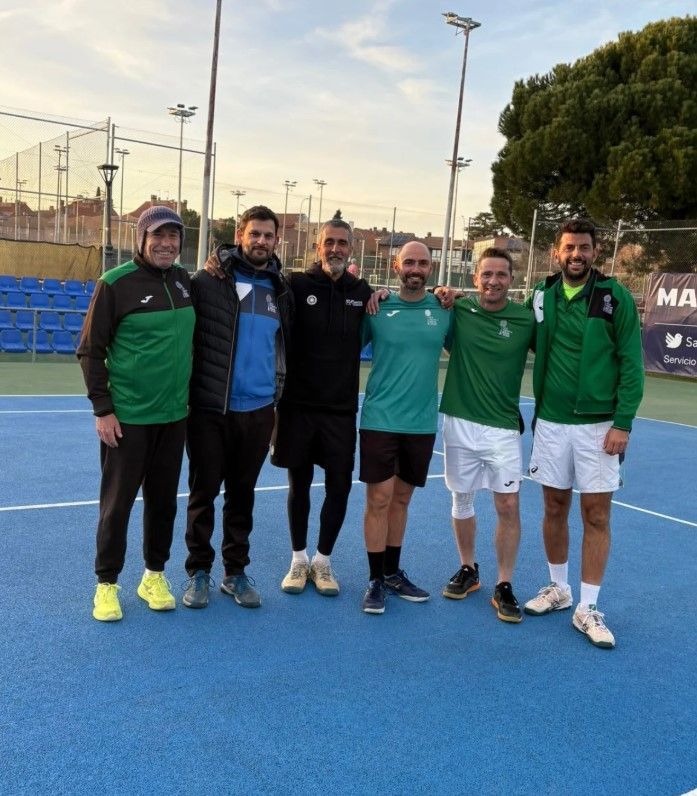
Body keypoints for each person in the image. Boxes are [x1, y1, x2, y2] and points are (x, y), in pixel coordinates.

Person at [523, 218, 644, 648]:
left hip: (598, 427)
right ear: (557, 252)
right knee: (554, 506)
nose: (576, 255)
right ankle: (559, 589)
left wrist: (623, 422)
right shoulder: (542, 296)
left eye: (584, 248)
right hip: (552, 423)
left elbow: (631, 363)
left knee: (596, 514)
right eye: (569, 248)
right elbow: (519, 335)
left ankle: (587, 607)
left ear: (595, 252)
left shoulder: (616, 297)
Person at [78, 206, 195, 622]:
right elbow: (90, 350)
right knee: (117, 505)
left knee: (163, 503)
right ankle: (106, 585)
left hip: (174, 417)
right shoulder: (115, 284)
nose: (166, 243)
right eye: (158, 236)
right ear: (142, 240)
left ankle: (153, 575)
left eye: (173, 236)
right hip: (127, 420)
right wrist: (103, 410)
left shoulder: (184, 282)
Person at [182, 206, 293, 610]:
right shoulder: (208, 281)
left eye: (268, 235)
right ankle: (198, 571)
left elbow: (286, 346)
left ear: (276, 241)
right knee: (203, 492)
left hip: (260, 409)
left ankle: (235, 572)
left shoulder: (280, 288)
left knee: (242, 495)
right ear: (240, 234)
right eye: (255, 234)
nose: (261, 241)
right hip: (211, 408)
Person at [272, 220, 372, 596]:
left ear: (351, 249)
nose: (335, 248)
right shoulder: (296, 285)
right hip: (297, 406)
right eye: (328, 242)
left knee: (340, 486)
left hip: (340, 410)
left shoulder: (362, 292)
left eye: (342, 243)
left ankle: (323, 561)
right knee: (298, 485)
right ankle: (298, 560)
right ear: (317, 247)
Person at [438, 248, 535, 623]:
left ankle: (504, 583)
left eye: (501, 274)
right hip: (459, 420)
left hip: (502, 428)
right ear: (475, 278)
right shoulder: (459, 311)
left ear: (512, 279)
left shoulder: (527, 320)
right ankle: (468, 569)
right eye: (487, 274)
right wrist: (446, 294)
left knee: (508, 504)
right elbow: (432, 308)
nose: (493, 281)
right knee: (461, 499)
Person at [359, 241, 453, 614]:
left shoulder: (444, 310)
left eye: (423, 263)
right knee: (378, 499)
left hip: (421, 423)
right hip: (380, 419)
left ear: (431, 269)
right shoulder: (377, 307)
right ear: (396, 266)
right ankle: (374, 579)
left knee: (402, 499)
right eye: (409, 262)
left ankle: (393, 572)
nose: (416, 268)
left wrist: (453, 296)